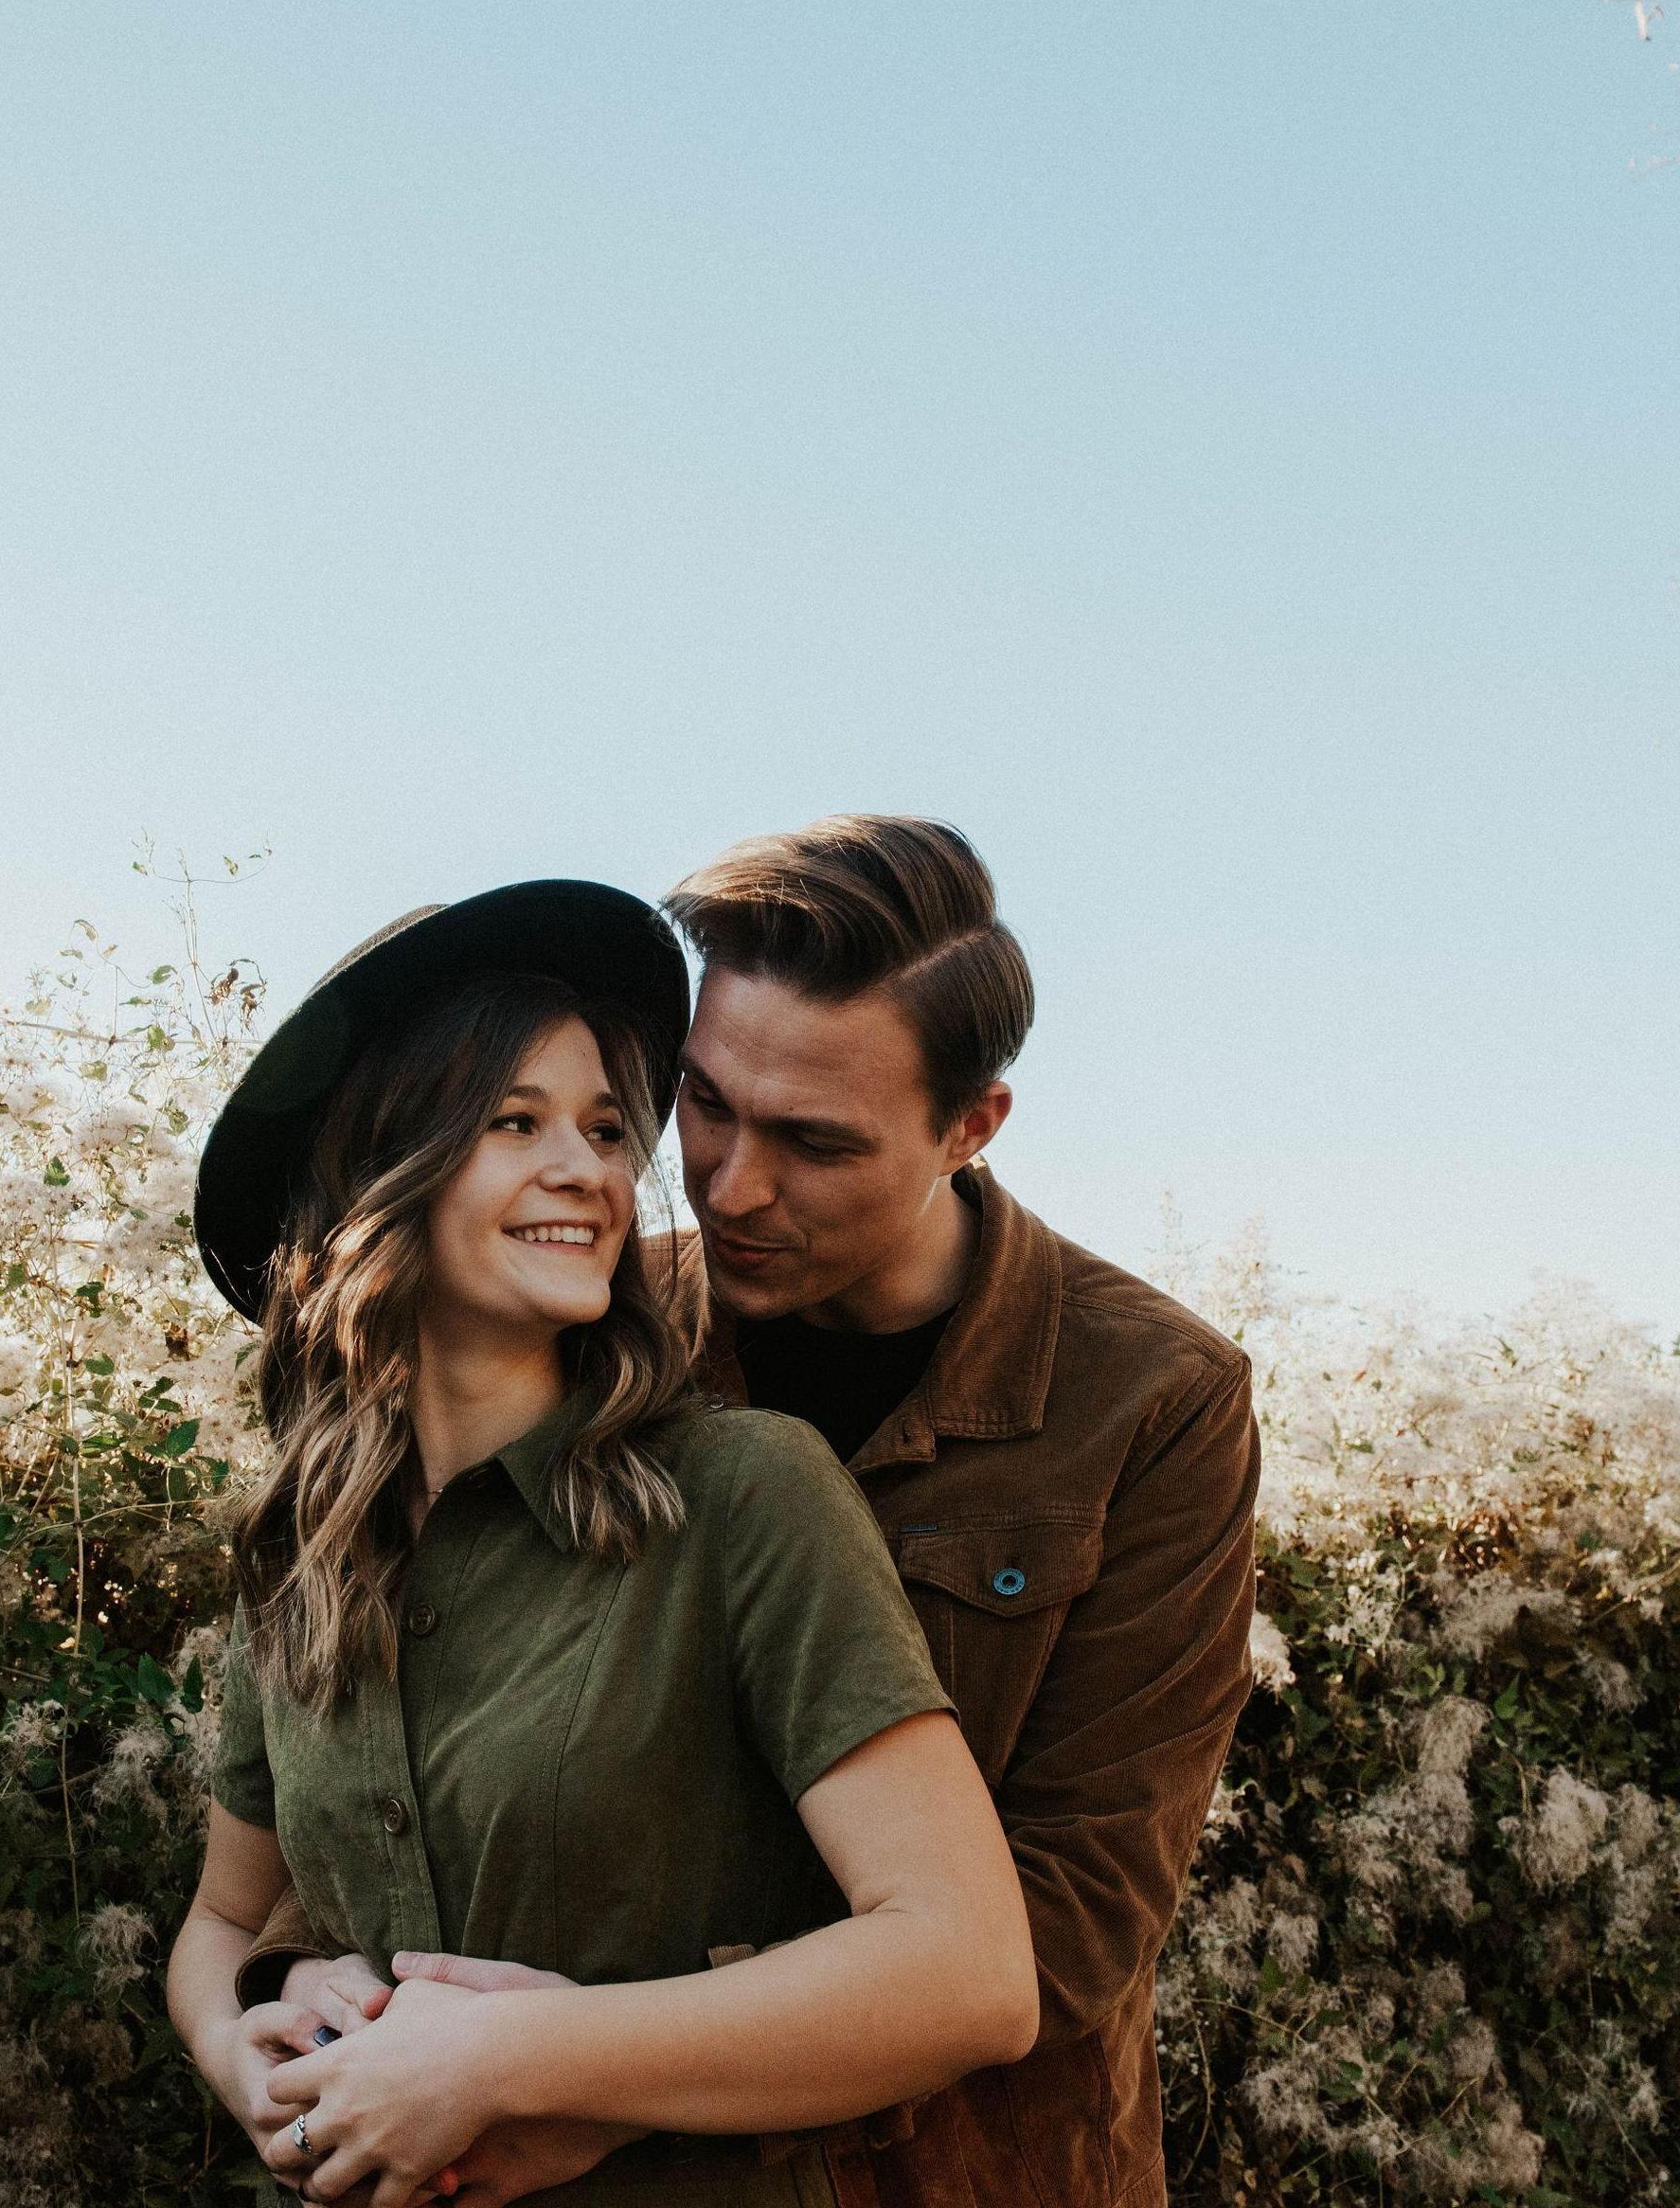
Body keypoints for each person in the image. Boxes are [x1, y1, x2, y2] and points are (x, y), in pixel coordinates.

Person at [244, 821, 1262, 2208]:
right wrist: (310, 1989)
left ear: (969, 1128)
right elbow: (425, 1739)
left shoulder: (1153, 1398)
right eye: (704, 1105)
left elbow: (1070, 1919)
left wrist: (590, 2083)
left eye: (814, 1142)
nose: (729, 1188)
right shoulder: (594, 1312)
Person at [164, 878, 1040, 2208]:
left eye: (607, 1128)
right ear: (376, 1172)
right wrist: (245, 2048)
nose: (591, 1170)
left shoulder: (742, 1495)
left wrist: (512, 2064)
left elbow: (967, 1974)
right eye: (515, 1122)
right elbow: (224, 1921)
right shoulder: (300, 1557)